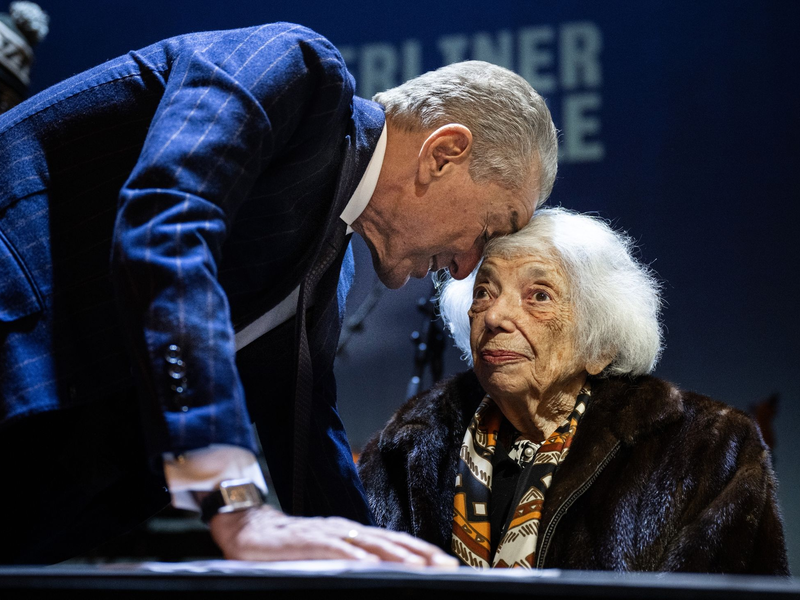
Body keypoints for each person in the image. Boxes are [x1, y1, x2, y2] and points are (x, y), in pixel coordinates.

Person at [0, 22, 557, 564]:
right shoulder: (298, 68)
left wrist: (381, 568)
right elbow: (166, 226)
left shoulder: (328, 273)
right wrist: (235, 503)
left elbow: (307, 438)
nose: (465, 269)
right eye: (490, 229)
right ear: (443, 153)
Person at [358, 208, 789, 574]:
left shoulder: (707, 450)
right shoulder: (409, 448)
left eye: (539, 296)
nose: (495, 317)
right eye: (484, 292)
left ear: (600, 346)